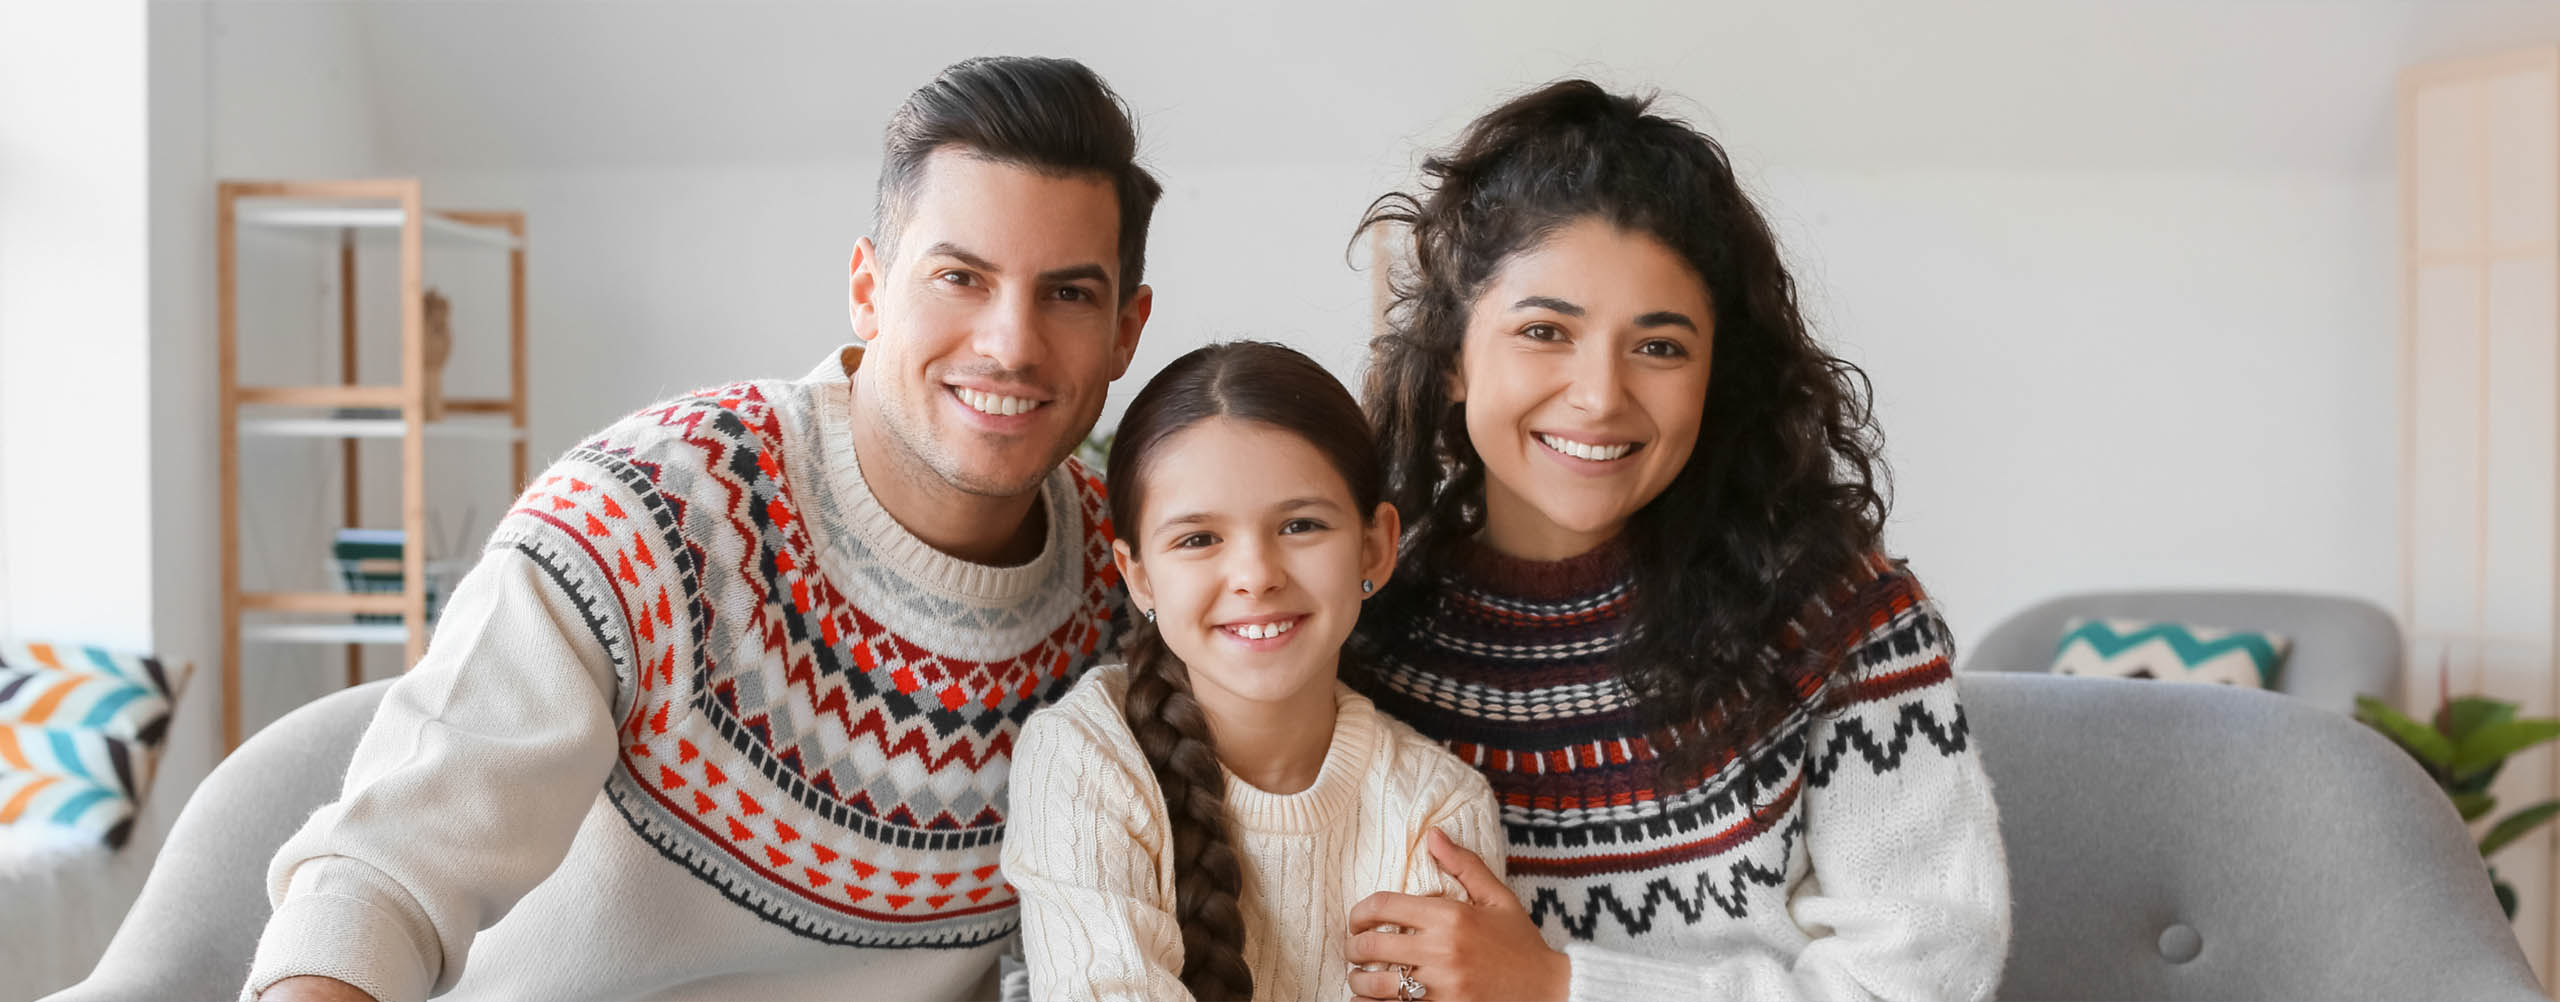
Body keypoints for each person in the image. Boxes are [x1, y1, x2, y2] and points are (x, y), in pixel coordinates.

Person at [246, 55, 1159, 1002]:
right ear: (868, 287)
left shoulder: (1133, 588)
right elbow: (381, 874)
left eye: (1067, 294)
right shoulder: (655, 508)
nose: (1010, 344)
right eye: (960, 277)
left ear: (1126, 331)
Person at [1338, 80, 2011, 1002]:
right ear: (1454, 356)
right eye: (1545, 331)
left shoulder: (1844, 622)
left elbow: (1920, 978)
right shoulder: (1352, 626)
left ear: (1714, 376)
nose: (1600, 396)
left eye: (1659, 347)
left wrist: (1561, 987)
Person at [1003, 342, 1505, 1002]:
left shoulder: (1435, 810)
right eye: (1198, 539)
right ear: (1140, 577)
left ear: (1375, 547)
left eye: (1299, 525)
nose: (1257, 577)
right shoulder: (1086, 757)